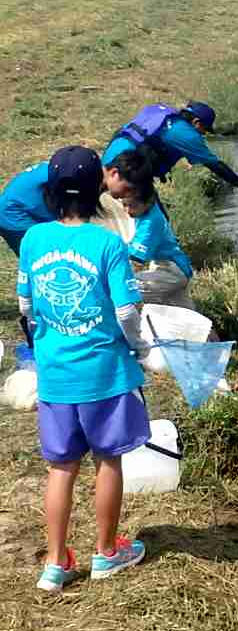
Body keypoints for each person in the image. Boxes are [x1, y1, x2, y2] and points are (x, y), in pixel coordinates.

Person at [19, 146, 154, 591]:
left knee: (62, 468)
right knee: (107, 460)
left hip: (56, 375)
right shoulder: (107, 243)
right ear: (99, 187)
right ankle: (106, 552)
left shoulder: (34, 240)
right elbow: (127, 310)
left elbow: (27, 306)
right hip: (103, 372)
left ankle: (55, 564)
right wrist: (138, 350)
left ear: (51, 191)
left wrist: (43, 342)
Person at [101, 101, 238, 201]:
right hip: (128, 167)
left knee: (93, 192)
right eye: (204, 129)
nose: (204, 134)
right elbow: (215, 164)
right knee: (154, 217)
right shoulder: (187, 134)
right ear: (196, 122)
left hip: (112, 152)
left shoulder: (164, 115)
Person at [106, 149, 194, 310]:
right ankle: (210, 334)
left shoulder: (150, 223)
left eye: (131, 206)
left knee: (127, 289)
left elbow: (135, 260)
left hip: (171, 271)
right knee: (188, 315)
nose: (126, 211)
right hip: (168, 267)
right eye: (124, 205)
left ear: (149, 202)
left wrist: (110, 273)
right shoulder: (144, 213)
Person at [0, 160, 52, 255]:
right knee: (41, 257)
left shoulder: (59, 167)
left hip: (19, 208)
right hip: (13, 217)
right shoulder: (62, 178)